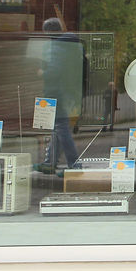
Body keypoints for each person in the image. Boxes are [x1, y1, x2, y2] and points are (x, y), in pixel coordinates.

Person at [37, 17, 82, 173]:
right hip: (70, 90)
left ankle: (74, 164)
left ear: (48, 32)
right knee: (58, 127)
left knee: (61, 127)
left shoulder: (55, 46)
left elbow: (54, 71)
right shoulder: (73, 45)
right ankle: (50, 162)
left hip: (57, 91)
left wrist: (42, 73)